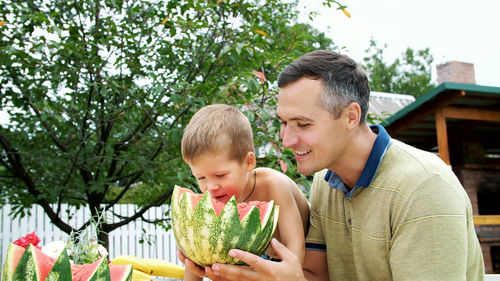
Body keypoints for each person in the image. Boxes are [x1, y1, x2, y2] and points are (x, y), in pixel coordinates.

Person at [197, 50, 485, 281]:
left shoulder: (424, 190)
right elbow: (315, 276)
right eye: (283, 123)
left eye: (303, 124)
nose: (286, 139)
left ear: (350, 116)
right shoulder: (325, 182)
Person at [178, 104, 311, 281]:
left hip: (307, 255)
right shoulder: (218, 194)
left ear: (249, 162)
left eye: (220, 175)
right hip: (261, 258)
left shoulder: (274, 184)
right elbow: (198, 250)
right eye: (201, 178)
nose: (210, 187)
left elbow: (295, 245)